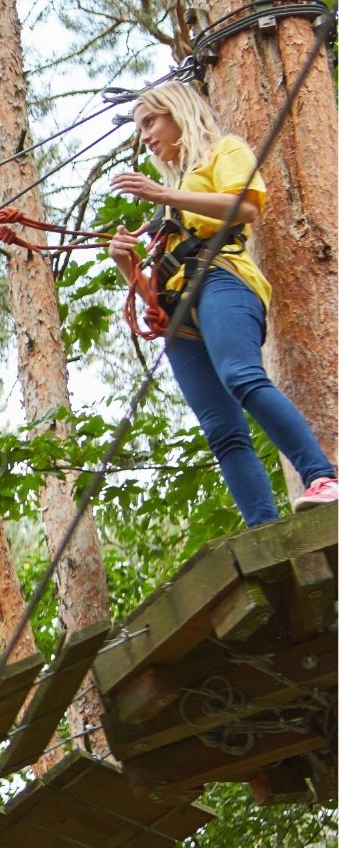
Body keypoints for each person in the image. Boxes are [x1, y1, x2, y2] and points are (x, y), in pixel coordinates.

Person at [107, 82, 336, 525]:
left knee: (241, 376)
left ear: (178, 112)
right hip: (178, 314)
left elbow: (244, 207)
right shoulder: (167, 204)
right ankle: (262, 527)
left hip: (222, 280)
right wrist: (128, 266)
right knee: (222, 432)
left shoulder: (223, 152)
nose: (146, 136)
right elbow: (154, 293)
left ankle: (321, 476)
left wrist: (164, 195)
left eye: (151, 122)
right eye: (140, 128)